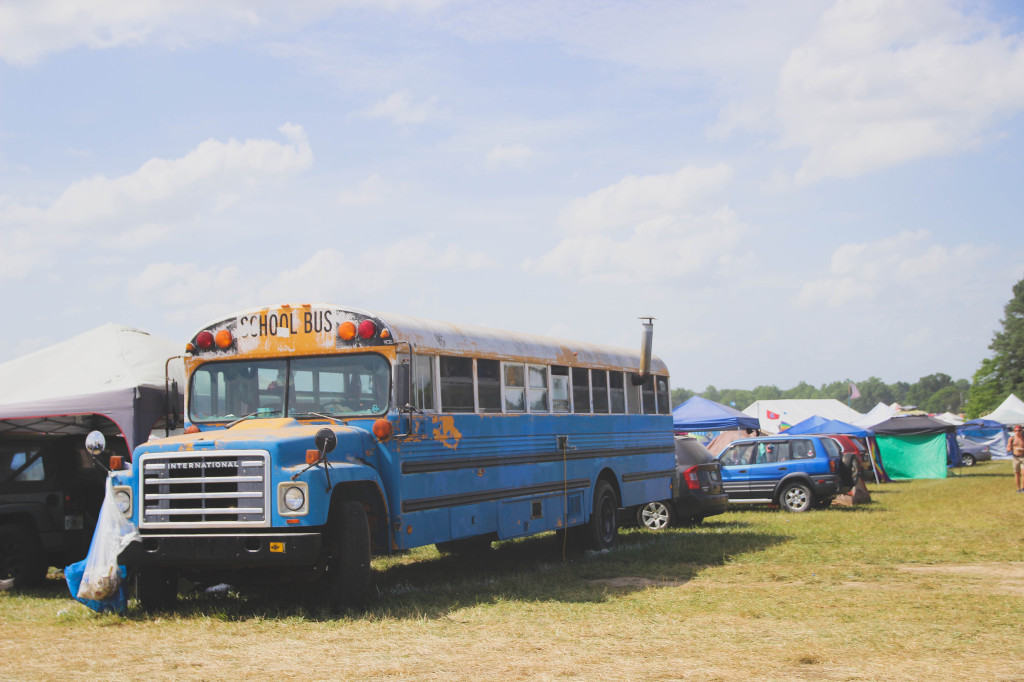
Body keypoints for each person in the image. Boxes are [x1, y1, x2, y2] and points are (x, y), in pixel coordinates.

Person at [1008, 425, 1024, 493]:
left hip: (1023, 457)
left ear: (1022, 431)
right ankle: (1018, 489)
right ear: (1014, 431)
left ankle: (1023, 488)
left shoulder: (1023, 438)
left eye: (1019, 430)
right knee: (1017, 473)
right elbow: (1008, 448)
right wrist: (1011, 448)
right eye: (1016, 430)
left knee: (1023, 472)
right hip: (1015, 457)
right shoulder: (1011, 439)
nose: (1018, 432)